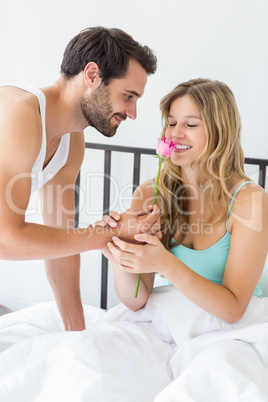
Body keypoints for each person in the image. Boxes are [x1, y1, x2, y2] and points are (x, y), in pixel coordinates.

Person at [0, 27, 161, 331]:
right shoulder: (18, 113)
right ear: (92, 75)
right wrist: (105, 234)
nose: (133, 112)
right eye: (128, 96)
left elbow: (61, 248)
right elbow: (5, 239)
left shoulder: (71, 142)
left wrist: (77, 335)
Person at [104, 78, 268, 323]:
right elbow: (138, 300)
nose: (174, 133)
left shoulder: (250, 201)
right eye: (171, 123)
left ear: (220, 131)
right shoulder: (150, 193)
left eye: (190, 124)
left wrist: (164, 261)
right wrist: (118, 252)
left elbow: (233, 310)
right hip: (175, 317)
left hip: (233, 325)